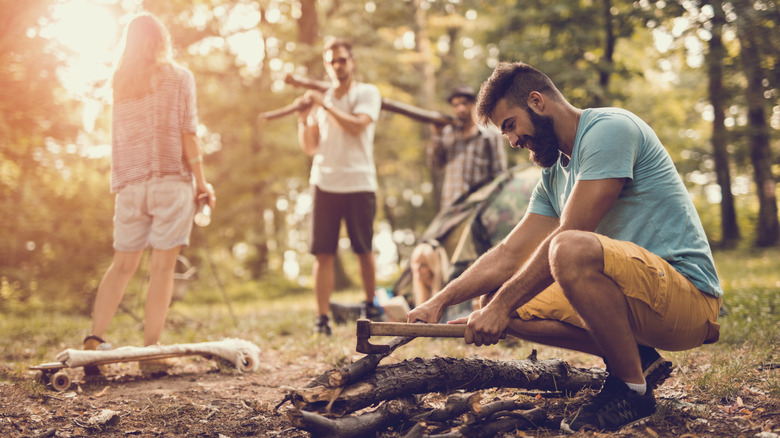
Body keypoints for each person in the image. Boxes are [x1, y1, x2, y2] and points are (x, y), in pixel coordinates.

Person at [408, 62, 723, 432]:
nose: (512, 140)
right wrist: (438, 302)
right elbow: (509, 253)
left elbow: (571, 234)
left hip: (687, 300)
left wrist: (502, 307)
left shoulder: (610, 130)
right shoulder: (554, 172)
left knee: (567, 249)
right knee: (495, 298)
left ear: (537, 102)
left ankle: (632, 392)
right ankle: (637, 358)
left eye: (510, 124)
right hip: (638, 299)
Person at [84, 13, 215, 375]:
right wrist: (201, 181)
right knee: (162, 268)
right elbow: (189, 132)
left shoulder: (121, 82)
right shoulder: (179, 77)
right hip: (171, 182)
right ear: (161, 40)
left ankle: (94, 339)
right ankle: (152, 351)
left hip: (129, 186)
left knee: (122, 265)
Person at [294, 38, 383, 336]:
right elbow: (310, 147)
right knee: (323, 253)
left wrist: (326, 105)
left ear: (352, 61)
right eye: (331, 61)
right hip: (324, 183)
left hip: (359, 182)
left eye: (342, 60)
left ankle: (371, 306)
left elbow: (358, 125)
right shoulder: (323, 99)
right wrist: (304, 119)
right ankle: (322, 319)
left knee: (363, 248)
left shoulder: (367, 93)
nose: (337, 65)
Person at [428, 85, 508, 210]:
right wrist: (437, 135)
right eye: (455, 105)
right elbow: (435, 164)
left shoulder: (491, 135)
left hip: (477, 207)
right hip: (450, 206)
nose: (460, 108)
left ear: (473, 104)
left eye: (464, 103)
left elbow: (499, 175)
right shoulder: (447, 133)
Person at [409, 241, 450, 307]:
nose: (417, 268)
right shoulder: (417, 295)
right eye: (415, 263)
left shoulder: (447, 289)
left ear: (433, 267)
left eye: (423, 265)